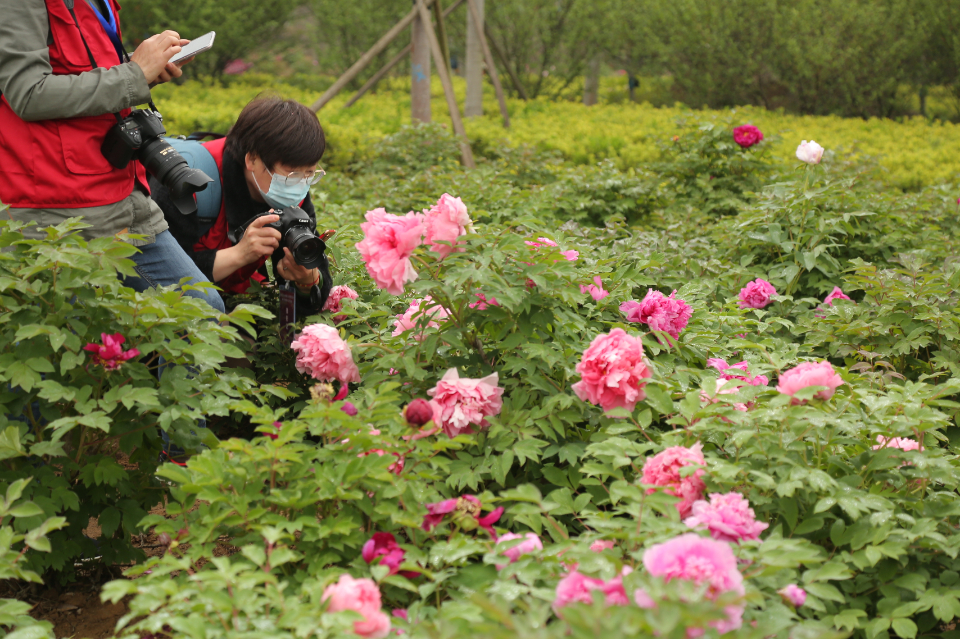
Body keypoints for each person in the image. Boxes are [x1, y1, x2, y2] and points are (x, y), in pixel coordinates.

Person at [0, 0, 224, 314]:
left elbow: (84, 72)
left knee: (202, 310)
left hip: (124, 191)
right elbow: (28, 92)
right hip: (59, 208)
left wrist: (144, 69)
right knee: (76, 347)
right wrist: (134, 73)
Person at [153, 96, 332, 315]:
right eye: (292, 174)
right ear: (252, 160)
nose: (300, 184)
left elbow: (309, 287)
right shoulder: (188, 184)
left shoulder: (291, 189)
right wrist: (239, 254)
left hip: (234, 294)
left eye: (310, 173)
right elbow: (155, 275)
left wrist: (308, 281)